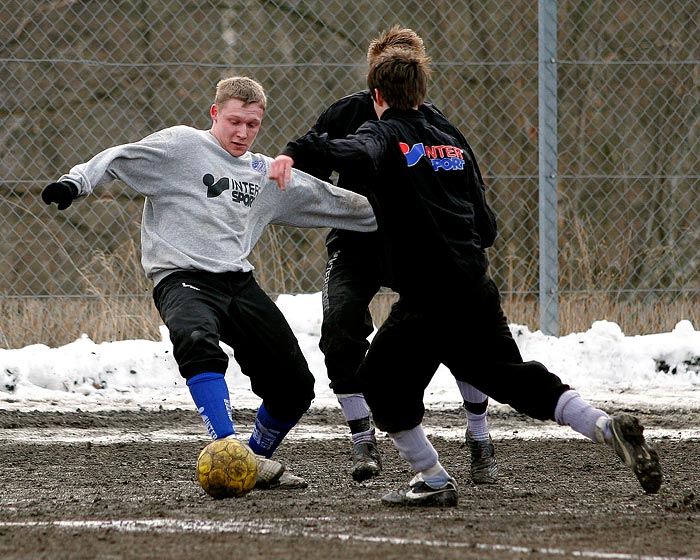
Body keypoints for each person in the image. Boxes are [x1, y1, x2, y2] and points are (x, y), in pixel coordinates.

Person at [269, 50, 663, 506]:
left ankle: (432, 478)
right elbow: (488, 227)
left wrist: (294, 153)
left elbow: (352, 149)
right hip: (475, 287)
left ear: (375, 95)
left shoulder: (381, 133)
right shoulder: (451, 142)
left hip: (427, 298)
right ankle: (604, 426)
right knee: (512, 378)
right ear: (422, 93)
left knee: (378, 382)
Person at [42, 76, 377, 491]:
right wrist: (77, 182)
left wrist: (408, 213)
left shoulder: (262, 172)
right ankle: (226, 444)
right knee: (196, 339)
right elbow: (118, 157)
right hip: (181, 277)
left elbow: (333, 201)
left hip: (238, 282)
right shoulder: (181, 146)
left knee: (294, 388)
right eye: (234, 121)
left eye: (252, 125)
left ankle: (250, 462)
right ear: (215, 113)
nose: (242, 132)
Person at [278, 26, 500, 484]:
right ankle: (363, 436)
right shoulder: (347, 115)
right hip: (357, 245)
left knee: (457, 326)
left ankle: (479, 434)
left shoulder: (439, 127)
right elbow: (313, 165)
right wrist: (295, 166)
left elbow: (471, 194)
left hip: (418, 249)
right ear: (377, 79)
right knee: (340, 325)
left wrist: (473, 240)